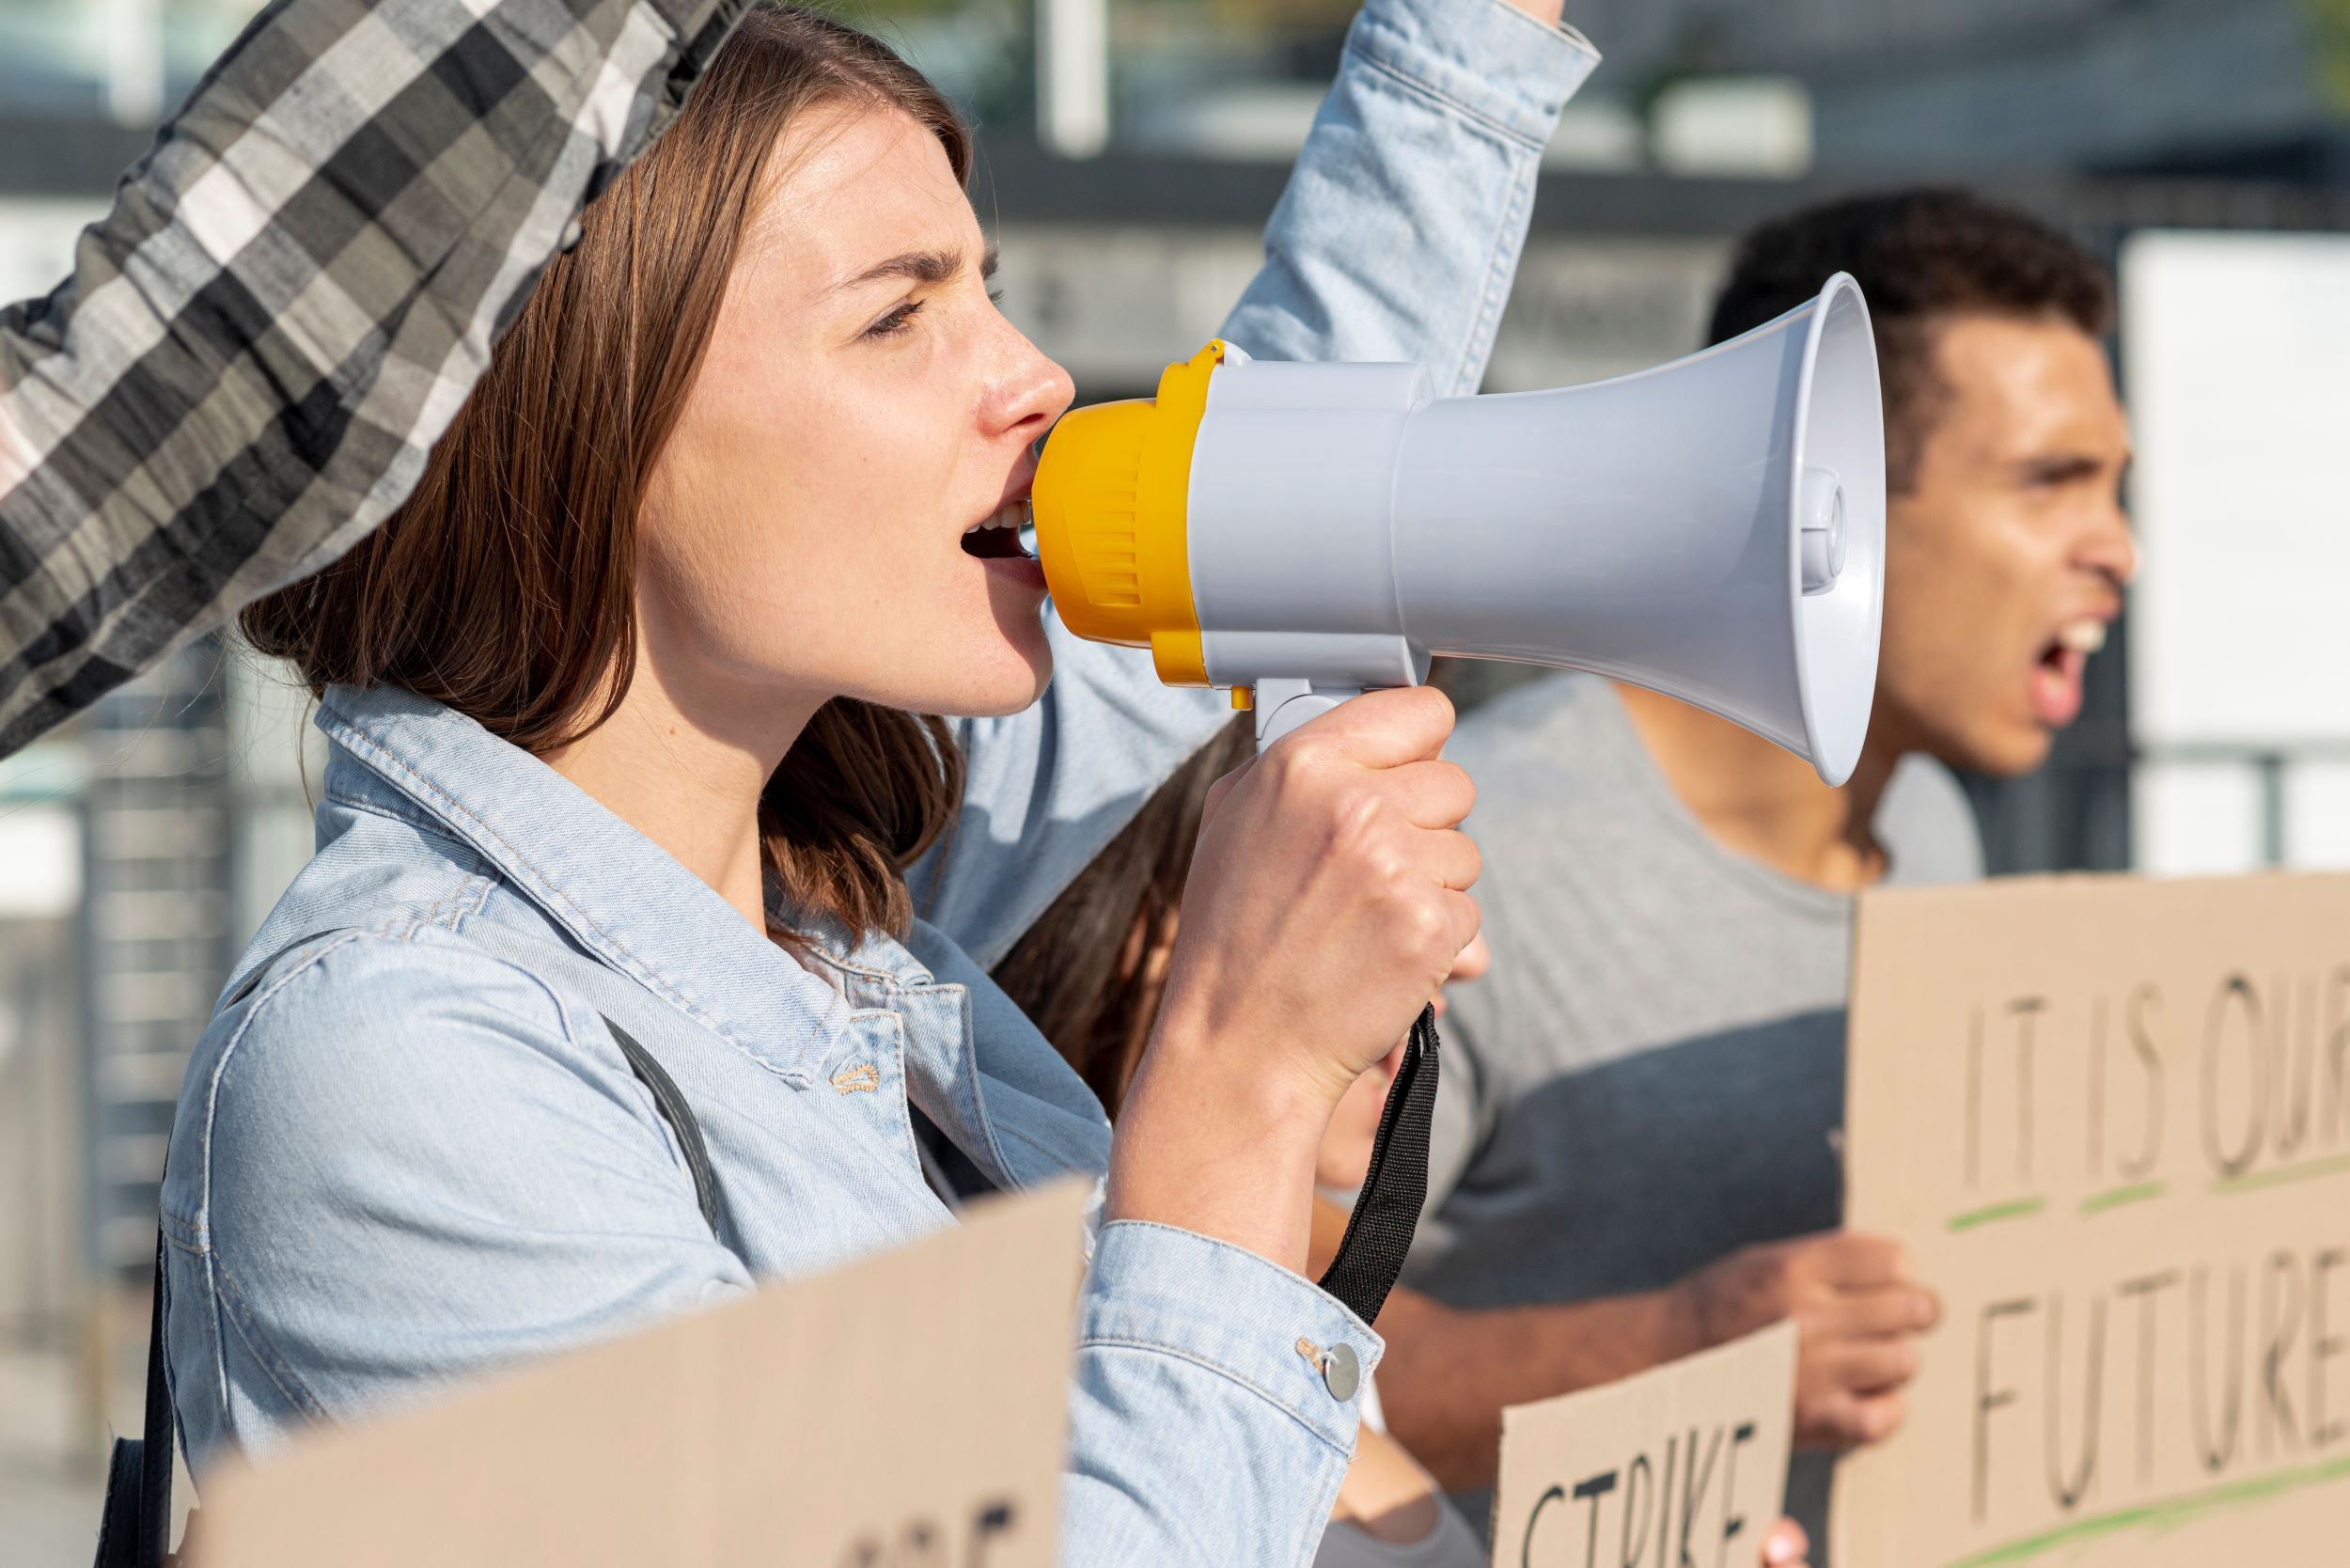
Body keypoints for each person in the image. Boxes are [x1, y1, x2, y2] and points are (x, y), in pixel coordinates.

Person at [102, 4, 1605, 1564]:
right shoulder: (403, 1068)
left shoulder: (841, 888)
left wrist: (1472, 39)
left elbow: (1277, 457)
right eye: (903, 317)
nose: (1035, 377)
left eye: (992, 294)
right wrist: (1239, 1081)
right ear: (590, 415)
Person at [1371, 190, 2138, 1557]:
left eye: (2114, 485)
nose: (2118, 549)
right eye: (2048, 481)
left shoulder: (1940, 832)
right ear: (1830, 496)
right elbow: (1270, 1355)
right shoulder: (1469, 856)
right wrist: (1688, 1345)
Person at [992, 718, 1811, 1568]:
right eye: (1384, 887)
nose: (1464, 953)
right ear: (1166, 931)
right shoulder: (1013, 1338)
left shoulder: (1293, 1304)